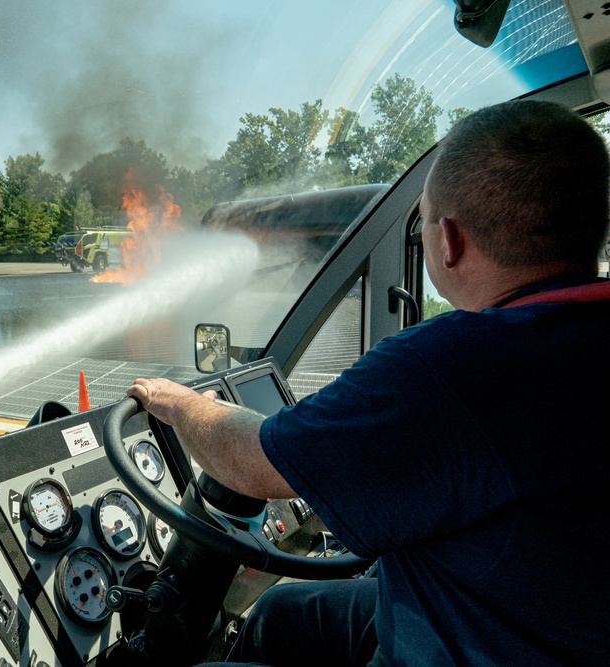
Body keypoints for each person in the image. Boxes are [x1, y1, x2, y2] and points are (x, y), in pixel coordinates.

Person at [127, 100, 610, 665]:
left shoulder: (450, 366)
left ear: (448, 241)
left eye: (422, 220)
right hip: (543, 622)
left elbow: (249, 463)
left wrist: (181, 404)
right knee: (284, 613)